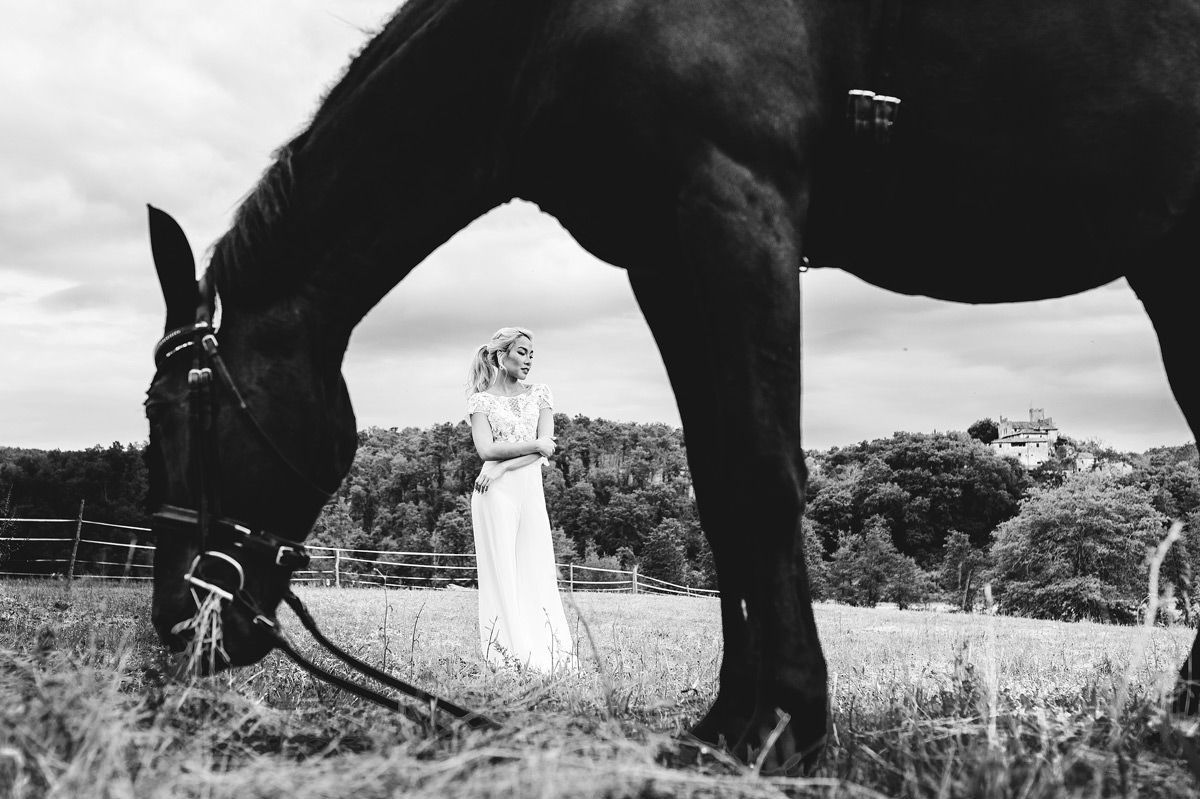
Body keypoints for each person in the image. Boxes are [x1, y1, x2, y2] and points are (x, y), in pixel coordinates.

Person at [466, 327, 576, 673]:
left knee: (536, 567)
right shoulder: (480, 401)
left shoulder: (540, 394)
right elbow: (487, 449)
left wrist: (500, 468)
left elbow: (547, 448)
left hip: (525, 490)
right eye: (522, 352)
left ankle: (546, 654)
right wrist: (532, 448)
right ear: (502, 356)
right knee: (502, 574)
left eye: (531, 354)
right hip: (492, 495)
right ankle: (508, 657)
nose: (529, 360)